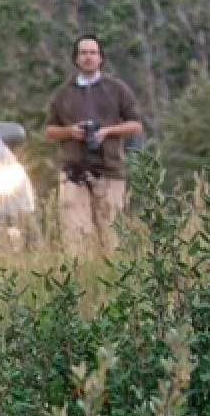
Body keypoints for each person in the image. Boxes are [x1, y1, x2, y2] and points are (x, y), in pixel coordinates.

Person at [45, 34, 144, 258]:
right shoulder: (63, 93)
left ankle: (111, 282)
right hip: (73, 172)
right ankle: (82, 284)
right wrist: (70, 132)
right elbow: (50, 130)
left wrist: (107, 132)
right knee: (76, 235)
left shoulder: (117, 89)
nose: (88, 57)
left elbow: (136, 125)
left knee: (111, 236)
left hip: (109, 170)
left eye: (93, 53)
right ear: (76, 59)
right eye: (83, 53)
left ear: (101, 58)